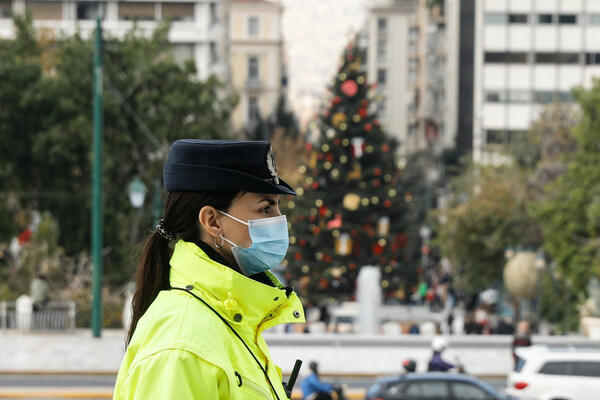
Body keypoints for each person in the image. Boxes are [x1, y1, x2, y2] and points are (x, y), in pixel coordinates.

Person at [113, 140, 306, 400]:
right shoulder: (183, 343)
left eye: (277, 208)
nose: (279, 220)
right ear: (212, 221)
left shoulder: (228, 318)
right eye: (265, 208)